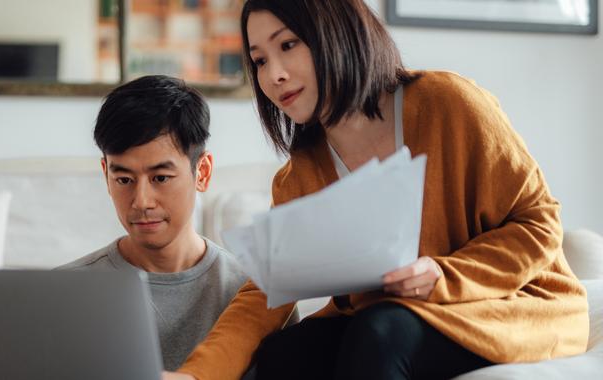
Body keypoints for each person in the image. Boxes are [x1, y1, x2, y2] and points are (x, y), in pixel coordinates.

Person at [167, 1, 590, 379]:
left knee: (381, 332)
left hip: (510, 305)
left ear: (336, 32)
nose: (273, 74)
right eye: (258, 60)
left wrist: (444, 275)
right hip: (398, 316)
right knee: (285, 355)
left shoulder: (451, 104)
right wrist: (196, 375)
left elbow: (540, 224)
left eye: (289, 45)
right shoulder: (298, 176)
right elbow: (266, 292)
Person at [57, 75, 247, 373]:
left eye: (160, 178)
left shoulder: (250, 291)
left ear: (202, 172)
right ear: (106, 174)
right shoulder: (62, 291)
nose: (141, 201)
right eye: (124, 179)